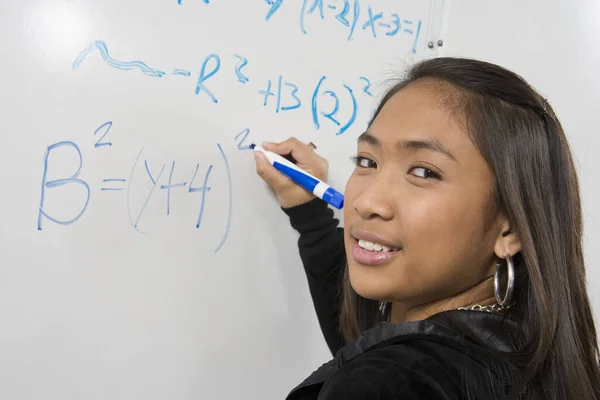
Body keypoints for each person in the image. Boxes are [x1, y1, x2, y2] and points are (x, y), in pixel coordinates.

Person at [255, 57, 600, 399]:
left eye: (423, 172)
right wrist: (310, 215)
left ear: (511, 231)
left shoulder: (389, 380)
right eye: (367, 161)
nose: (366, 202)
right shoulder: (519, 353)